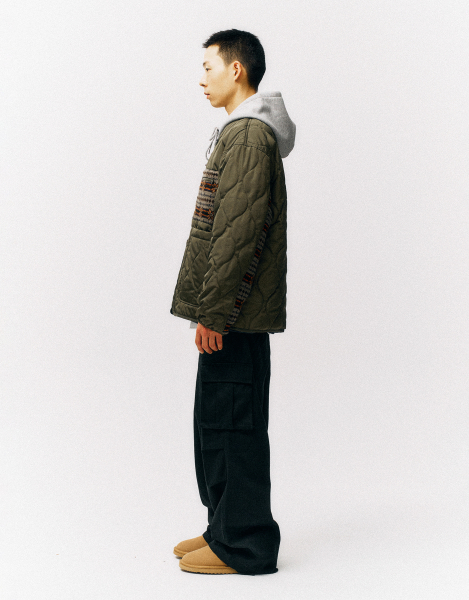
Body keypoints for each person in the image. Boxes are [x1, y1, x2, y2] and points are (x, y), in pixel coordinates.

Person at [170, 28, 296, 575]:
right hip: (233, 313)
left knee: (233, 427)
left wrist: (214, 314)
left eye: (209, 67)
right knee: (218, 422)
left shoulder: (247, 136)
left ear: (236, 69)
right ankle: (223, 527)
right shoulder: (241, 132)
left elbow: (237, 236)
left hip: (234, 317)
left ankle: (243, 543)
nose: (202, 79)